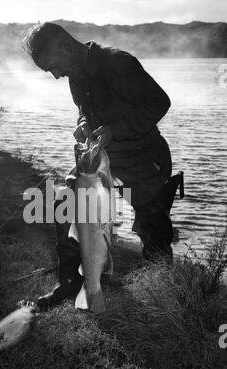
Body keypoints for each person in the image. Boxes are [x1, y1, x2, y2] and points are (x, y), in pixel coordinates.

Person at [22, 22, 183, 310]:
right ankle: (71, 284)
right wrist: (83, 124)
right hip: (103, 159)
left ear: (67, 47)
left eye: (54, 67)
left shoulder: (119, 63)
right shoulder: (75, 75)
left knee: (152, 231)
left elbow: (160, 103)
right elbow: (85, 112)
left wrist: (114, 129)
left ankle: (160, 295)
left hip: (143, 159)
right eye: (51, 72)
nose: (57, 76)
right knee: (64, 203)